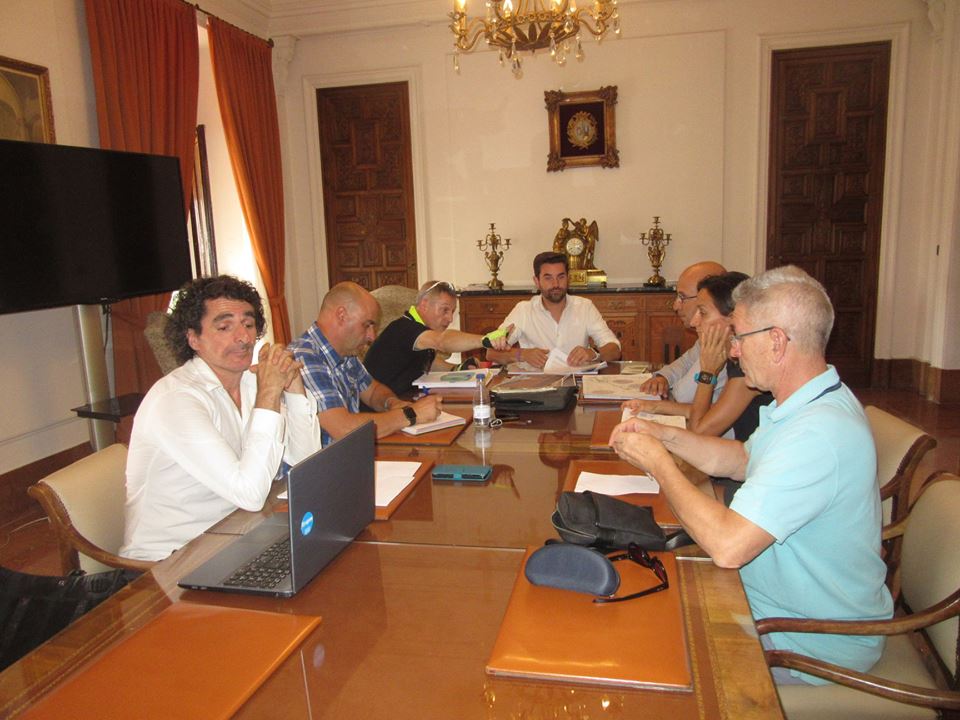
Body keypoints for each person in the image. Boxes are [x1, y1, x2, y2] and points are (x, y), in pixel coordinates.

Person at [610, 265, 893, 684]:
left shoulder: (817, 433)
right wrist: (664, 436)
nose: (734, 352)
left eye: (740, 337)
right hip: (768, 604)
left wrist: (660, 465)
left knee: (631, 643)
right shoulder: (806, 401)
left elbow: (728, 547)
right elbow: (743, 458)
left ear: (776, 342)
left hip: (805, 642)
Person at [120, 276, 323, 561]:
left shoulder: (249, 382)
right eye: (225, 327)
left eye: (248, 324)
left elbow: (306, 462)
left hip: (236, 538)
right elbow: (250, 495)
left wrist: (294, 387)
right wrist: (269, 393)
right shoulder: (176, 400)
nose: (243, 338)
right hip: (168, 563)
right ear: (193, 338)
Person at [624, 272, 773, 444]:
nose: (695, 322)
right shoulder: (735, 356)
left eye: (702, 312)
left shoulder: (749, 366)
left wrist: (708, 372)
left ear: (734, 317)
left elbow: (699, 431)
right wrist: (654, 406)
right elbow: (711, 412)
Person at [290, 281, 442, 445]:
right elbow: (342, 429)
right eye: (367, 325)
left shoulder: (346, 353)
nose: (372, 336)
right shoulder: (304, 357)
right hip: (333, 459)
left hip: (352, 453)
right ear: (341, 315)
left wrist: (391, 403)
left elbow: (373, 391)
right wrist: (410, 414)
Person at [363, 280, 511, 395]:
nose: (450, 319)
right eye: (444, 310)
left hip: (401, 400)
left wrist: (457, 368)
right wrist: (485, 340)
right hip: (376, 409)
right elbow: (442, 341)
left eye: (452, 312)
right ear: (424, 305)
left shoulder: (419, 331)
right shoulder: (405, 328)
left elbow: (428, 361)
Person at [485, 251, 621, 369]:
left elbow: (615, 349)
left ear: (568, 278)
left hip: (576, 382)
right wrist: (523, 354)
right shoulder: (523, 310)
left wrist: (593, 353)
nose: (556, 284)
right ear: (537, 281)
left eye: (561, 277)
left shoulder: (585, 307)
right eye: (548, 278)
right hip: (535, 384)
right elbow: (491, 353)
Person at [640, 260, 727, 402]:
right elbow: (685, 363)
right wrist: (663, 378)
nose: (675, 306)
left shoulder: (723, 345)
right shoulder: (708, 336)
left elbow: (682, 396)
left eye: (682, 297)